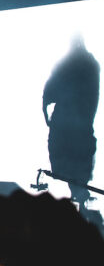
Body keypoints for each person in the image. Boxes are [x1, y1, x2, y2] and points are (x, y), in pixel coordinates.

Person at [43, 33, 100, 204]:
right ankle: (78, 193)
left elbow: (50, 90)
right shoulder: (77, 64)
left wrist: (46, 111)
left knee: (75, 155)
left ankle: (79, 194)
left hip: (77, 123)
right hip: (71, 122)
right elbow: (50, 90)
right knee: (70, 156)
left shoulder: (81, 64)